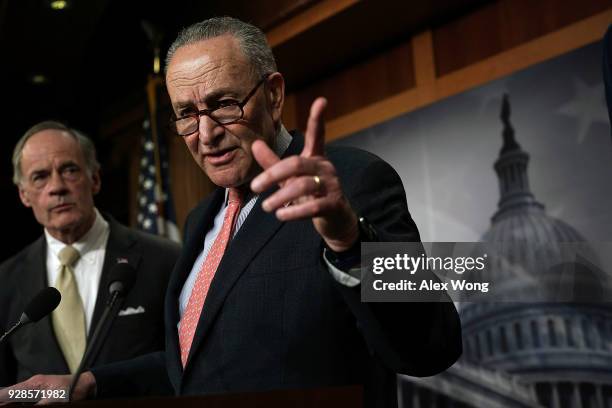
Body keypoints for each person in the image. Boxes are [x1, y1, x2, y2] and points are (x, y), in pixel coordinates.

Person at [1, 17, 461, 407]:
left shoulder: (353, 181)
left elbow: (432, 346)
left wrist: (349, 242)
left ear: (274, 95)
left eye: (223, 104)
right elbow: (195, 363)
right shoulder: (202, 217)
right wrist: (89, 382)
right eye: (186, 113)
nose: (205, 134)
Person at [0, 121, 181, 387]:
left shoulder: (165, 259)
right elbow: (5, 392)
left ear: (94, 178)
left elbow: (183, 361)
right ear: (24, 195)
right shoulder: (5, 280)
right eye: (40, 177)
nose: (57, 187)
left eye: (69, 170)